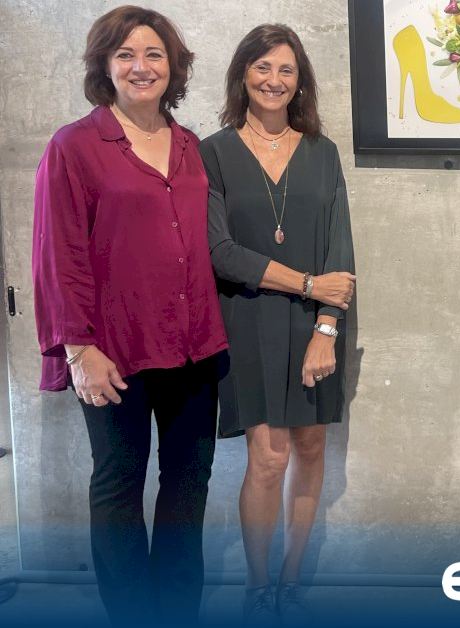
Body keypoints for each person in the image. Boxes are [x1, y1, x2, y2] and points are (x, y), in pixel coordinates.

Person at [31, 6, 226, 625]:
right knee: (119, 487)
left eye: (154, 54)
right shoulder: (74, 146)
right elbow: (58, 253)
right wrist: (77, 348)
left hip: (194, 346)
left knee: (187, 488)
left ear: (174, 67)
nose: (141, 67)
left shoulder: (190, 145)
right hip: (112, 351)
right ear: (105, 66)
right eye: (126, 55)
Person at [200, 23, 356, 622]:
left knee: (310, 446)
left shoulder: (323, 152)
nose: (274, 79)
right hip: (247, 317)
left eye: (286, 69)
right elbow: (221, 252)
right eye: (262, 67)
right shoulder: (213, 152)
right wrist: (308, 284)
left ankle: (292, 579)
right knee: (268, 457)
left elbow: (339, 251)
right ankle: (257, 584)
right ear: (243, 75)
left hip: (317, 325)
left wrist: (327, 326)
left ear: (300, 81)